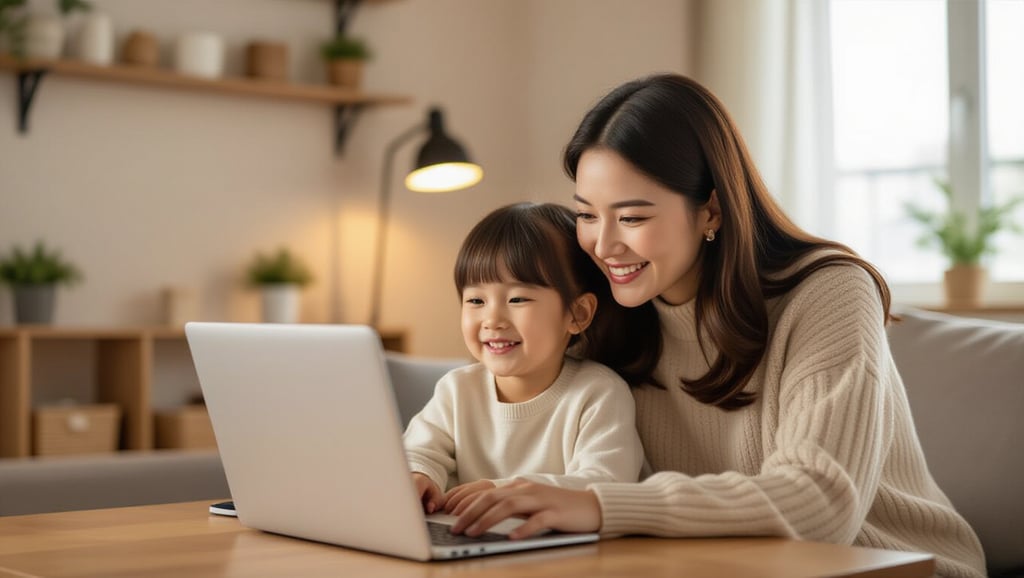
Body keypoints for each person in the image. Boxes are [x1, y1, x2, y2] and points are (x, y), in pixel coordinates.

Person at [448, 74, 987, 578]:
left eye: (632, 217)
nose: (604, 245)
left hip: (888, 564)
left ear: (710, 210)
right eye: (587, 214)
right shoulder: (607, 307)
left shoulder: (829, 293)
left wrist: (599, 505)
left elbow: (821, 504)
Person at [403, 202, 644, 516]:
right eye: (475, 300)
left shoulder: (598, 393)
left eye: (517, 299)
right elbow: (418, 451)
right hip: (473, 538)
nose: (492, 320)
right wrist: (419, 475)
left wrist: (506, 491)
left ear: (578, 313)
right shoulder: (457, 389)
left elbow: (608, 482)